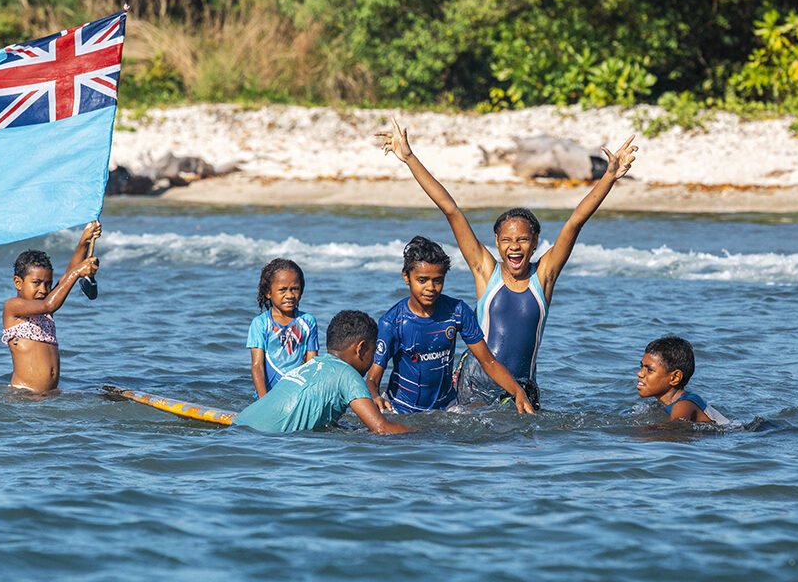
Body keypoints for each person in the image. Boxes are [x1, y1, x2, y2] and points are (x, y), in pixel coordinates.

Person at [376, 118, 636, 408]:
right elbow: (450, 209)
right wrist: (409, 158)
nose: (515, 246)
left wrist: (609, 177)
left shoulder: (544, 276)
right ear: (497, 243)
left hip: (523, 386)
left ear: (535, 243)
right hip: (476, 384)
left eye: (523, 240)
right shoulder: (486, 271)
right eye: (507, 240)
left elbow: (575, 222)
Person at [368, 236, 533, 414]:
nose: (431, 287)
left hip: (447, 408)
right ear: (407, 277)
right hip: (401, 409)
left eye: (437, 280)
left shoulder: (457, 312)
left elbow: (488, 361)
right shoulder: (392, 322)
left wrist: (518, 391)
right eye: (422, 280)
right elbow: (372, 378)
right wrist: (375, 397)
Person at [234, 310, 417, 434]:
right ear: (361, 348)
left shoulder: (310, 366)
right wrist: (430, 438)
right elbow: (381, 428)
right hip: (266, 443)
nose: (374, 359)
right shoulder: (348, 375)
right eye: (373, 351)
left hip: (239, 429)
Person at [2, 221, 100, 392]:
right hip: (23, 396)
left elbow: (66, 277)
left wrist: (84, 241)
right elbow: (50, 305)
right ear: (18, 283)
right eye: (36, 283)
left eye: (48, 284)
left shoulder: (45, 310)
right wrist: (78, 272)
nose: (43, 289)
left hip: (49, 395)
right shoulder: (13, 307)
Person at [246, 258, 318, 398]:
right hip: (267, 397)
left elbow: (312, 365)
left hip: (297, 396)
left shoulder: (308, 322)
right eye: (282, 290)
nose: (290, 295)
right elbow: (257, 366)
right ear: (268, 292)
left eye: (295, 289)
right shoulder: (261, 324)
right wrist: (264, 401)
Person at [636, 335, 730, 424]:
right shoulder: (668, 404)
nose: (639, 373)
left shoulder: (683, 405)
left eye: (649, 370)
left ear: (675, 378)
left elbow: (671, 430)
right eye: (641, 366)